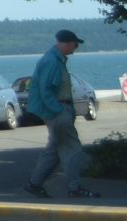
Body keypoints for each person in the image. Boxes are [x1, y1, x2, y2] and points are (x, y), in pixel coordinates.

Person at [25, 29, 100, 199]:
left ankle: (34, 184)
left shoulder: (55, 59)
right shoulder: (52, 62)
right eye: (75, 44)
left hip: (59, 110)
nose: (76, 48)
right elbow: (46, 90)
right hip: (58, 111)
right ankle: (74, 188)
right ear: (66, 43)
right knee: (73, 149)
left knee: (54, 151)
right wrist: (58, 110)